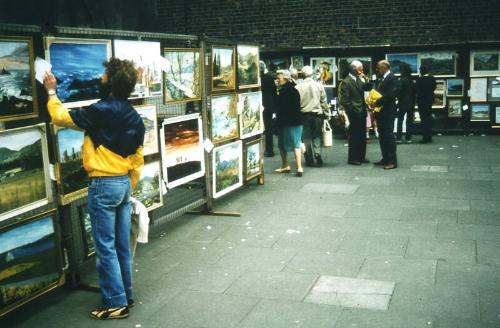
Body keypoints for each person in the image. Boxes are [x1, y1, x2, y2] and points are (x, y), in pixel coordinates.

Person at [43, 58, 145, 320]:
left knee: (105, 247)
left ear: (111, 80)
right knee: (122, 245)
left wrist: (52, 92)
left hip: (103, 184)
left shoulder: (100, 110)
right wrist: (127, 184)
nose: (100, 76)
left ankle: (114, 304)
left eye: (104, 73)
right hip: (123, 183)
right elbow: (138, 157)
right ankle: (126, 295)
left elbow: (60, 116)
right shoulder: (135, 116)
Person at [295, 65, 330, 167]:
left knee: (306, 137)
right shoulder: (319, 85)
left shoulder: (297, 87)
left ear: (302, 74)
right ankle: (317, 152)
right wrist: (326, 114)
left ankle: (309, 158)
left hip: (303, 115)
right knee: (317, 135)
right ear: (312, 74)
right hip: (317, 115)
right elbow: (324, 101)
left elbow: (296, 103)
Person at [339, 60, 370, 165]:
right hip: (354, 113)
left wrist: (366, 80)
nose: (362, 70)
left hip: (362, 111)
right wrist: (352, 111)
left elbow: (368, 89)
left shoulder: (360, 80)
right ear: (353, 69)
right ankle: (353, 158)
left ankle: (361, 156)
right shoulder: (346, 82)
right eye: (360, 68)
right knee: (354, 136)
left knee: (362, 135)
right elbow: (344, 100)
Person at [369, 60, 398, 170]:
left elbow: (390, 95)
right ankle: (385, 158)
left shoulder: (392, 78)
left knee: (388, 136)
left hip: (388, 112)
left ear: (385, 67)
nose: (377, 69)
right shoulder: (383, 78)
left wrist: (377, 102)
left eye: (379, 67)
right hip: (381, 112)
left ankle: (392, 161)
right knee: (382, 136)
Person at [274, 69, 304, 177]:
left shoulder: (282, 91)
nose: (277, 80)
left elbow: (280, 108)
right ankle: (299, 167)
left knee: (282, 144)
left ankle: (285, 165)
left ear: (285, 79)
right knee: (296, 144)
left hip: (286, 123)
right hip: (297, 121)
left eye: (279, 78)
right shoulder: (295, 89)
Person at [260, 61, 278, 157]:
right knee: (268, 128)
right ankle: (269, 150)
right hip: (268, 105)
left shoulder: (253, 79)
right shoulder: (270, 78)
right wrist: (275, 107)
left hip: (257, 104)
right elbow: (274, 93)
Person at [415, 64, 436, 143]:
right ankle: (429, 137)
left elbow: (416, 90)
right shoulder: (432, 78)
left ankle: (425, 138)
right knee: (428, 118)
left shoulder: (420, 80)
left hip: (422, 101)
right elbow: (434, 87)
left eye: (420, 70)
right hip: (429, 101)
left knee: (423, 119)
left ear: (422, 71)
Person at [396, 64, 416, 144]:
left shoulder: (401, 80)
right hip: (411, 103)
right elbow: (414, 92)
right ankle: (408, 138)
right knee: (409, 121)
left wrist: (398, 98)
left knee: (400, 120)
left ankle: (399, 138)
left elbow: (398, 91)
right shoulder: (411, 80)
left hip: (402, 103)